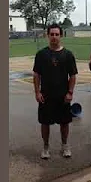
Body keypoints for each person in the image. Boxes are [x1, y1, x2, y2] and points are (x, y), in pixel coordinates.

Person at [32, 23, 78, 159]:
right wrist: (37, 92)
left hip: (63, 96)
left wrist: (70, 92)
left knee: (64, 123)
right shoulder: (41, 54)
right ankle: (46, 147)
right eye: (51, 34)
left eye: (56, 34)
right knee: (45, 123)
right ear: (48, 35)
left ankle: (65, 146)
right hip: (45, 96)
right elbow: (36, 75)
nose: (54, 37)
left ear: (61, 36)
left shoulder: (68, 55)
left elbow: (73, 75)